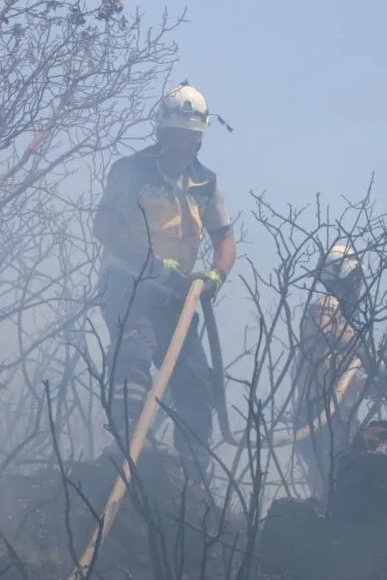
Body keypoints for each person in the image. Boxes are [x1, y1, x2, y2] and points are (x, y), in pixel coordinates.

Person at [92, 81, 236, 486]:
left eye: (189, 136)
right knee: (134, 356)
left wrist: (214, 275)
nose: (181, 144)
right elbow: (104, 225)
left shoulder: (206, 184)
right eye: (174, 134)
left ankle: (192, 475)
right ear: (160, 132)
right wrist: (151, 264)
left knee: (195, 380)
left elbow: (224, 239)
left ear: (199, 138)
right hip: (129, 283)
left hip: (178, 295)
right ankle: (127, 450)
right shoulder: (131, 171)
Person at [293, 241, 372, 502]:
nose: (358, 287)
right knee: (332, 485)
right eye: (355, 279)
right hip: (320, 413)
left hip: (330, 414)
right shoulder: (325, 307)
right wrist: (354, 383)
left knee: (333, 486)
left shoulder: (340, 315)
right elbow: (321, 357)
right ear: (346, 278)